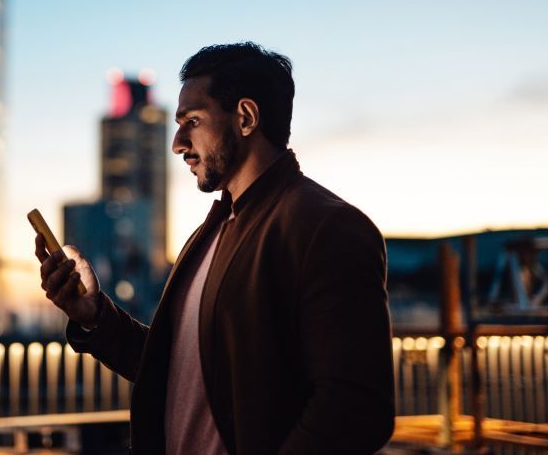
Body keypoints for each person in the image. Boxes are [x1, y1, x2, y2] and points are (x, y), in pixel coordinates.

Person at [34, 42, 395, 454]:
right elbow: (177, 370)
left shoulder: (327, 227)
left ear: (245, 117)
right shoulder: (213, 231)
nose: (177, 143)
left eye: (192, 121)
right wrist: (93, 315)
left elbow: (357, 409)